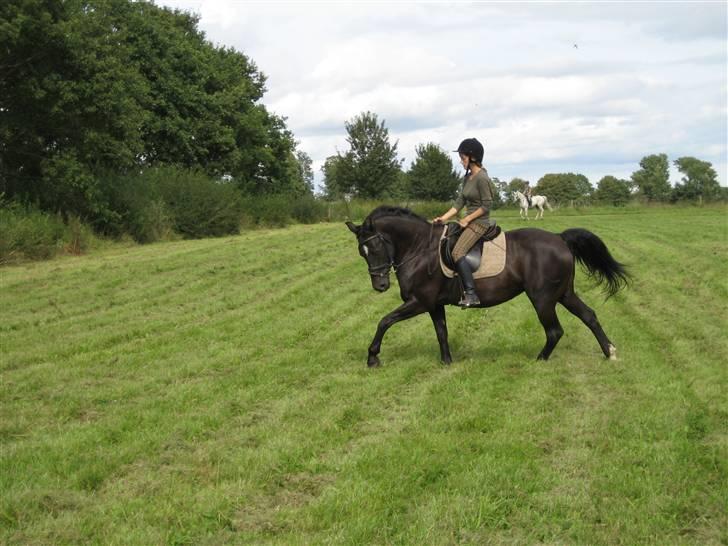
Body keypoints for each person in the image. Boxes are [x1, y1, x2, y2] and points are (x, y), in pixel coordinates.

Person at [433, 138, 493, 308]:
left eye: (463, 157)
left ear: (472, 157)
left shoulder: (482, 177)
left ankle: (472, 294)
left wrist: (467, 219)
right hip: (467, 222)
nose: (461, 160)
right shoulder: (467, 178)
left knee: (458, 252)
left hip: (479, 223)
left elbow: (487, 205)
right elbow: (459, 203)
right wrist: (443, 218)